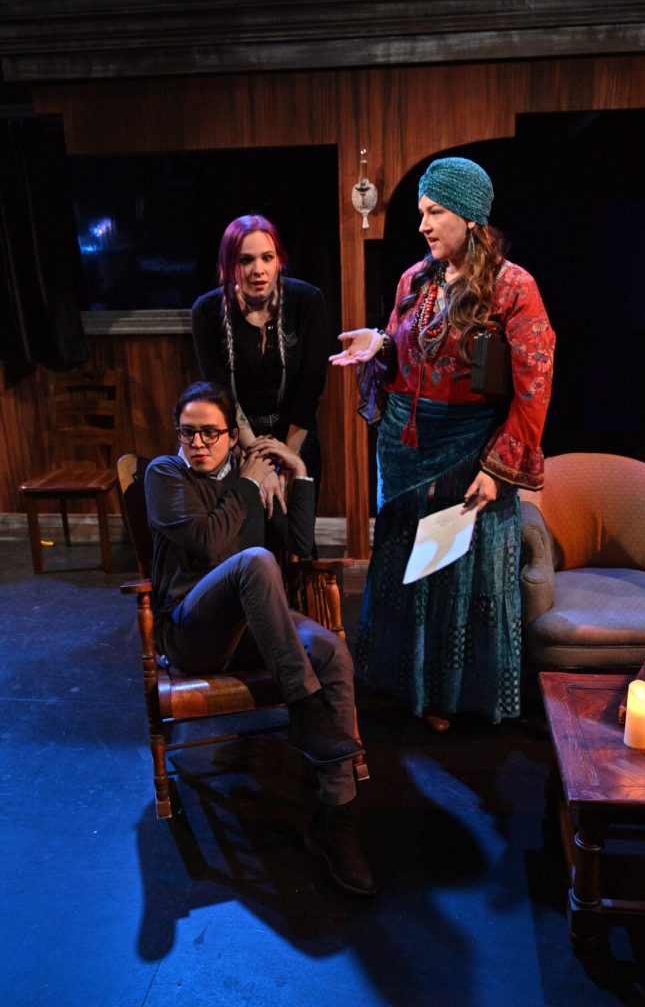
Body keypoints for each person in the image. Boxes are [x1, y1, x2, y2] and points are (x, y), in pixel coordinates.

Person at [330, 157, 555, 732]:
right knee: (406, 565)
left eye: (436, 212)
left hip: (468, 450)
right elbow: (411, 353)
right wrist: (379, 344)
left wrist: (499, 470)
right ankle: (402, 681)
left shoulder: (513, 287)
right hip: (406, 446)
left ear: (472, 217)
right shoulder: (415, 280)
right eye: (421, 213)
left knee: (455, 570)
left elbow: (534, 385)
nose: (424, 225)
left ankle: (451, 696)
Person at [144, 380, 375, 896]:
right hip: (191, 632)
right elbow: (209, 546)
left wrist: (300, 475)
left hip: (255, 630)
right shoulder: (166, 475)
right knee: (253, 560)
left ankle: (337, 823)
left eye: (209, 433)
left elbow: (297, 549)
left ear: (231, 436)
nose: (197, 444)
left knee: (332, 650)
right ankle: (307, 710)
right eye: (188, 433)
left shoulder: (257, 480)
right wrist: (249, 485)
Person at [191, 214, 330, 513]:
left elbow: (311, 384)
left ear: (279, 260)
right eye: (245, 260)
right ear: (229, 266)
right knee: (246, 529)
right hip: (236, 439)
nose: (258, 270)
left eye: (267, 258)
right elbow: (220, 394)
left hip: (296, 434)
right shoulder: (206, 311)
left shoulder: (307, 301)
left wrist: (288, 460)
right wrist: (259, 464)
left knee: (296, 532)